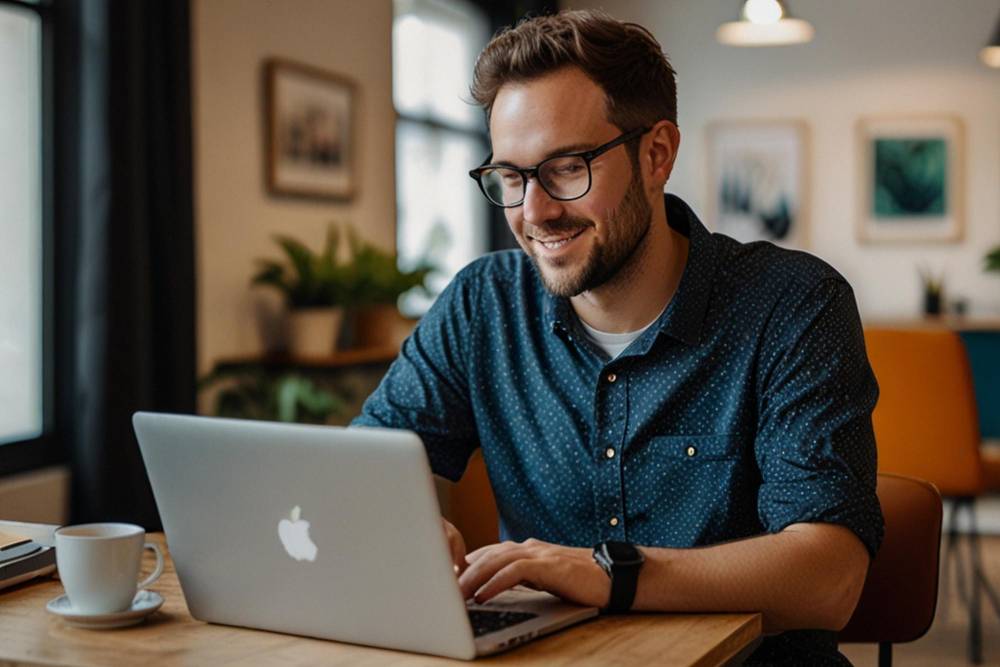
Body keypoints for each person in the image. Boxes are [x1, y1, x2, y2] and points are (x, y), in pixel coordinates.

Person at [353, 9, 882, 665]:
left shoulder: (791, 305)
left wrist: (611, 573)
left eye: (566, 168)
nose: (534, 212)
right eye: (511, 178)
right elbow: (360, 475)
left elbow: (828, 579)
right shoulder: (482, 305)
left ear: (656, 154)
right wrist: (399, 526)